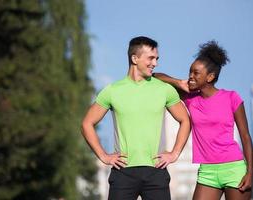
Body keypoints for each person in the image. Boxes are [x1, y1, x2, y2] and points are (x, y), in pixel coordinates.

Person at [81, 36, 190, 200]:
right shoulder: (112, 91)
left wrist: (175, 153)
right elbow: (87, 123)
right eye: (151, 58)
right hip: (123, 172)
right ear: (134, 58)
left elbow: (185, 120)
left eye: (157, 59)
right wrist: (103, 156)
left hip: (156, 171)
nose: (155, 63)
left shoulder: (165, 89)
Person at [153, 40, 253, 200]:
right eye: (190, 72)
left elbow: (245, 137)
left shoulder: (231, 97)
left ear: (210, 76)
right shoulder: (191, 98)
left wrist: (250, 172)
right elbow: (156, 77)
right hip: (207, 171)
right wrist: (178, 82)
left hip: (234, 168)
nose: (190, 76)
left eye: (196, 73)